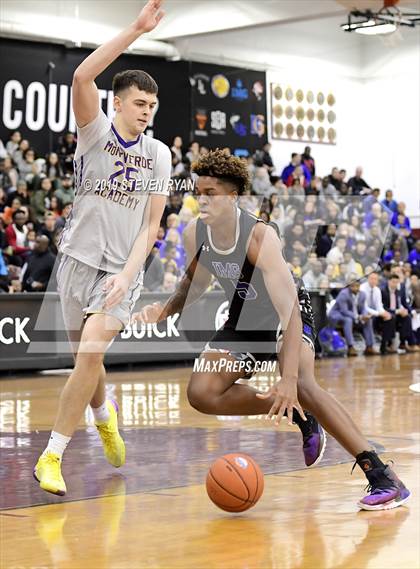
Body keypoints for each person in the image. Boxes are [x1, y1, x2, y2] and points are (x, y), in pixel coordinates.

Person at [134, 149, 410, 511]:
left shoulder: (259, 237)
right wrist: (165, 309)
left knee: (305, 386)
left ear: (232, 197)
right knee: (201, 392)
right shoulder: (194, 233)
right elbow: (194, 282)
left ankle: (382, 476)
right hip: (244, 318)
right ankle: (298, 415)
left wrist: (289, 379)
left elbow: (290, 312)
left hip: (288, 313)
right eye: (198, 191)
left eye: (211, 192)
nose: (201, 199)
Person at [33, 0, 171, 497]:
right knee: (84, 361)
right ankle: (102, 413)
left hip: (120, 270)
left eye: (152, 107)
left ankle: (52, 455)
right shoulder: (93, 132)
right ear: (118, 103)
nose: (147, 113)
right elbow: (81, 77)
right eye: (139, 104)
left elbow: (151, 226)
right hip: (75, 260)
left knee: (91, 350)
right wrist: (136, 28)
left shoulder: (159, 154)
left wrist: (128, 274)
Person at [328, 280, 377, 357]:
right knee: (348, 320)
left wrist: (364, 316)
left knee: (368, 320)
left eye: (357, 286)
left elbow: (363, 308)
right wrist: (359, 317)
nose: (355, 287)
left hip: (353, 316)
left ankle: (369, 346)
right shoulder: (343, 294)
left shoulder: (362, 295)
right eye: (353, 286)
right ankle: (350, 346)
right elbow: (344, 311)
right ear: (349, 286)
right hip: (337, 314)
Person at [381, 274, 417, 353]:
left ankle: (403, 342)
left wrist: (404, 310)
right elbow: (383, 308)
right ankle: (388, 344)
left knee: (407, 317)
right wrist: (396, 311)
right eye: (393, 282)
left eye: (397, 282)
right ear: (389, 282)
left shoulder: (398, 292)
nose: (395, 284)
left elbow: (401, 304)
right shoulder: (383, 291)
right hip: (385, 314)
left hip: (395, 313)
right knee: (392, 317)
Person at [360, 272, 393, 355]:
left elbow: (379, 305)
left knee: (390, 317)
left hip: (374, 313)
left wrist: (384, 313)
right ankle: (370, 346)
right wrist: (378, 314)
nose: (373, 281)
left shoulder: (377, 290)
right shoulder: (362, 288)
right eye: (371, 278)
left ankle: (385, 345)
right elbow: (364, 307)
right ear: (368, 279)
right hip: (363, 312)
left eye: (375, 279)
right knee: (369, 319)